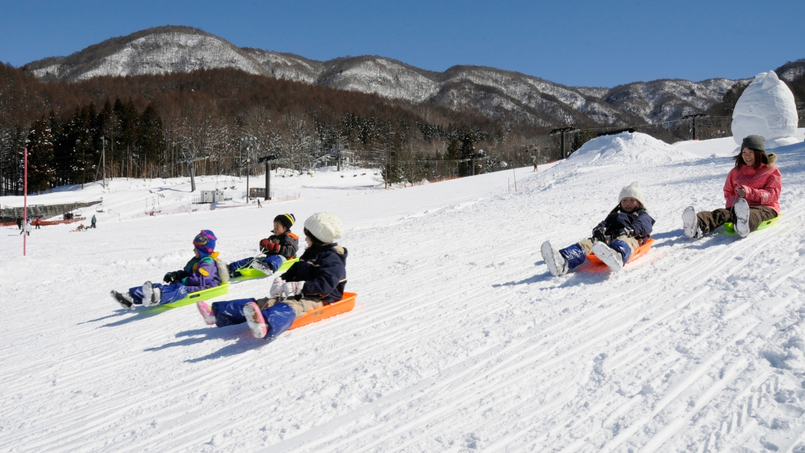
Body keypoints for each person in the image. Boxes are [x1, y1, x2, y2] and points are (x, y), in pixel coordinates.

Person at [197, 212, 347, 341]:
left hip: (320, 299)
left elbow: (325, 286)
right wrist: (281, 280)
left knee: (292, 306)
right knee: (263, 303)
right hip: (299, 293)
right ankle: (216, 313)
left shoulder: (332, 259)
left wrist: (298, 286)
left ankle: (266, 325)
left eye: (308, 236)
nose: (305, 238)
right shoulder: (310, 253)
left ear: (316, 237)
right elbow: (295, 269)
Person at [542, 181, 655, 275]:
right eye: (624, 200)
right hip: (610, 239)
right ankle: (563, 261)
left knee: (625, 241)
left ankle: (617, 257)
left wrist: (629, 230)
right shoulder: (614, 214)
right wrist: (598, 230)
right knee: (588, 243)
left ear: (639, 202)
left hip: (630, 239)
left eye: (632, 200)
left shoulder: (642, 215)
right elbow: (604, 223)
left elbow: (643, 224)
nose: (628, 203)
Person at [682, 135, 781, 239]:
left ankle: (744, 224)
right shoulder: (736, 171)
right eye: (744, 152)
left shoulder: (771, 171)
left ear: (759, 153)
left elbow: (773, 195)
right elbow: (728, 192)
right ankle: (697, 225)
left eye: (750, 152)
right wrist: (735, 203)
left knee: (755, 214)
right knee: (720, 213)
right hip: (739, 208)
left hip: (765, 207)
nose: (746, 156)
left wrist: (748, 193)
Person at [111, 230, 223, 309]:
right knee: (158, 286)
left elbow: (200, 279)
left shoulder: (208, 262)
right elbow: (186, 273)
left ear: (203, 250)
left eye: (196, 248)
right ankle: (130, 297)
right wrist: (175, 275)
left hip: (200, 287)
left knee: (179, 289)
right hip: (189, 284)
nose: (193, 250)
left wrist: (182, 281)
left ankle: (156, 296)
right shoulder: (197, 260)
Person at [227, 213, 299, 278]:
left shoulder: (289, 237)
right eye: (274, 227)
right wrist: (263, 245)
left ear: (285, 228)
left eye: (277, 227)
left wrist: (277, 248)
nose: (275, 229)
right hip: (268, 259)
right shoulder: (273, 237)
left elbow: (292, 250)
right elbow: (265, 251)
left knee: (277, 258)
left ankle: (269, 268)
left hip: (284, 258)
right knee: (252, 260)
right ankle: (231, 268)